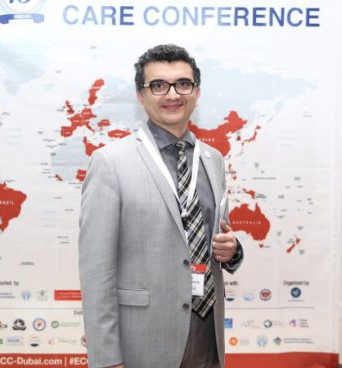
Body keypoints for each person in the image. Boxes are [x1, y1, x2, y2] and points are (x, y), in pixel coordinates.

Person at [78, 44, 243, 368]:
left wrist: (233, 250)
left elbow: (214, 237)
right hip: (145, 341)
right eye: (158, 85)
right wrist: (107, 359)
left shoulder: (212, 159)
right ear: (141, 96)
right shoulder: (110, 162)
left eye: (183, 84)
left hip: (207, 336)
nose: (172, 94)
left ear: (196, 92)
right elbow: (97, 270)